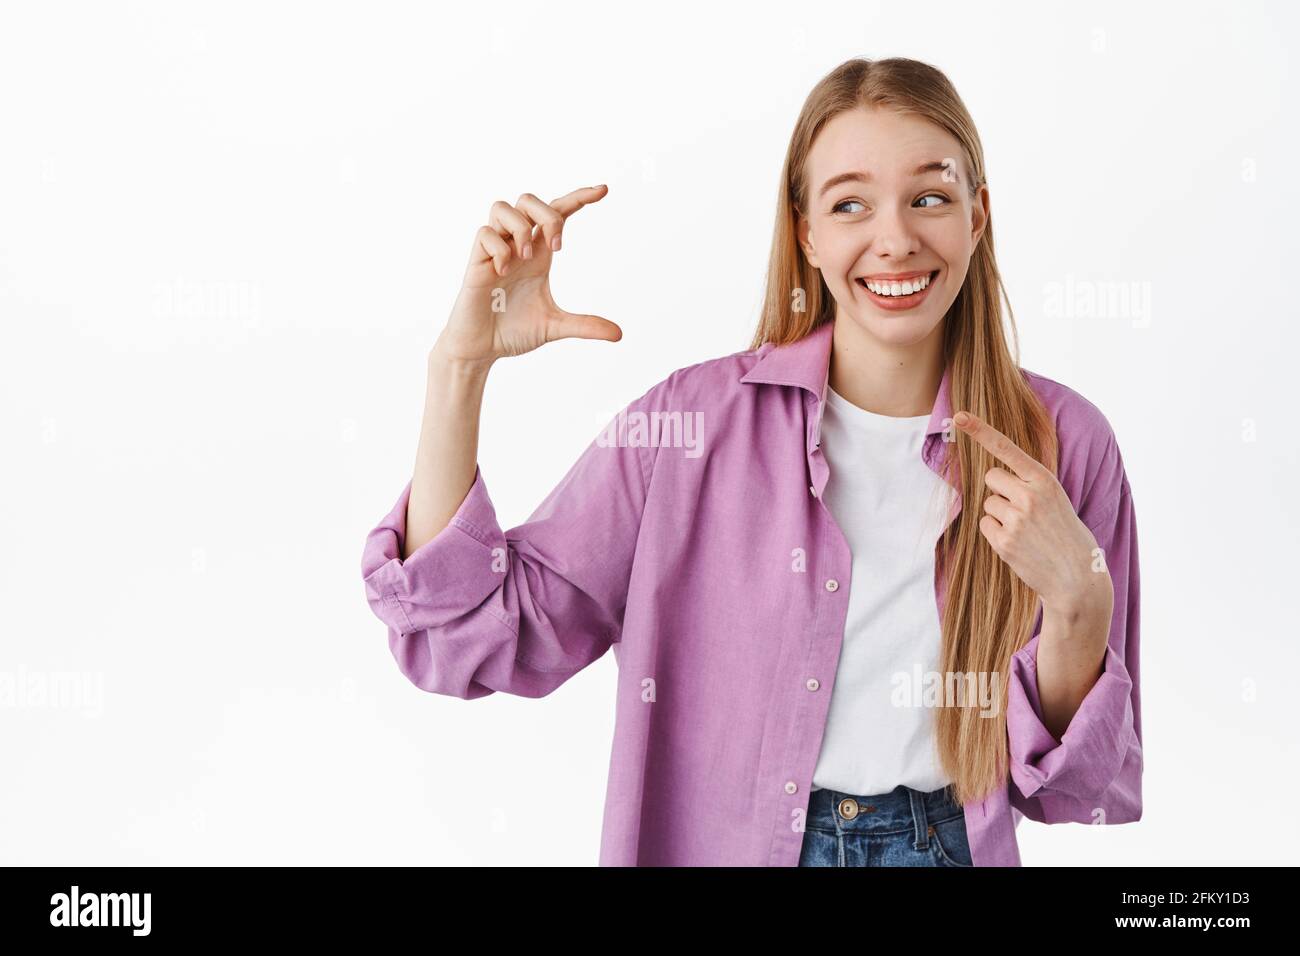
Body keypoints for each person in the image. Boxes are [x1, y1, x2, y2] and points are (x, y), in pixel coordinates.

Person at [360, 56, 1142, 867]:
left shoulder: (1064, 445)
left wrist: (1081, 605)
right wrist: (460, 366)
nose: (896, 239)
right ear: (807, 231)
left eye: (931, 198)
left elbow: (1074, 792)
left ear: (977, 217)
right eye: (851, 204)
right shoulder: (687, 428)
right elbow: (468, 642)